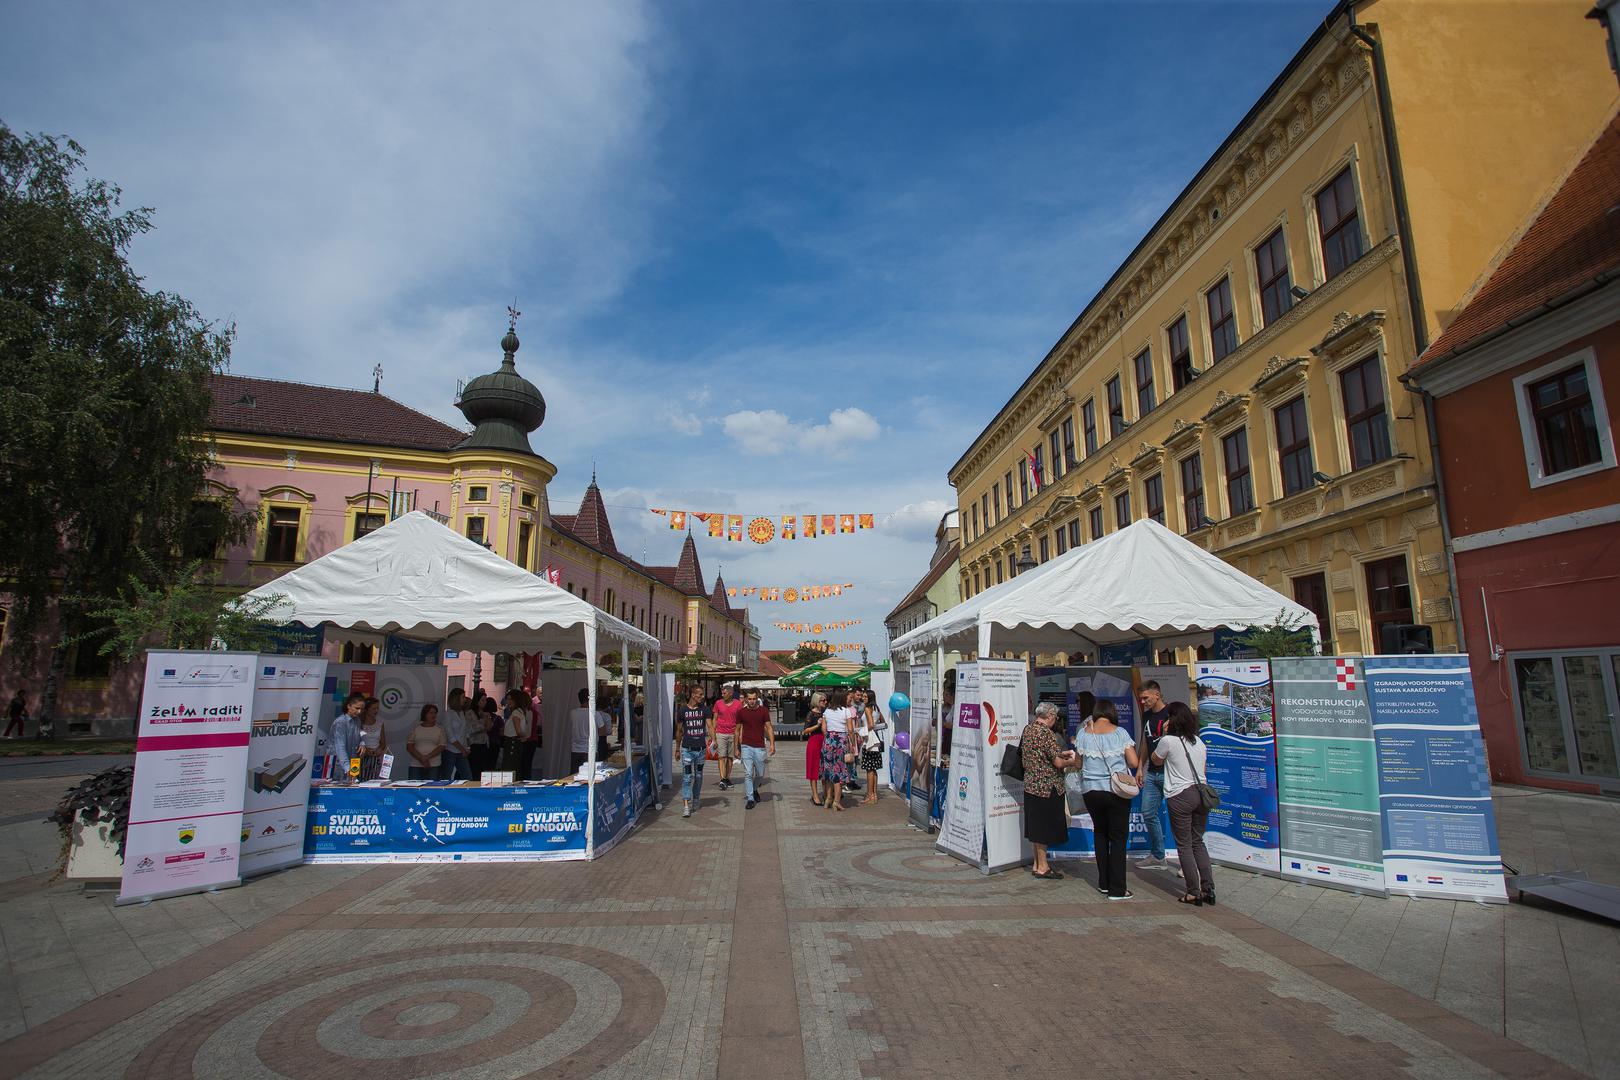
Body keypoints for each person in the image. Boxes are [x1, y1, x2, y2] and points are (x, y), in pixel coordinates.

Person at [1074, 699, 1141, 899]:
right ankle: (1118, 889)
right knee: (1118, 837)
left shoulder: (1084, 733)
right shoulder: (1120, 733)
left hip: (1091, 791)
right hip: (1115, 791)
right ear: (1112, 712)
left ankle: (1103, 882)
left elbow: (1078, 763)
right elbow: (1133, 761)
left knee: (1100, 833)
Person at [1153, 702, 1216, 905]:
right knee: (1198, 841)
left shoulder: (1168, 741)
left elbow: (1156, 760)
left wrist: (1163, 735)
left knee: (1184, 844)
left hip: (1180, 795)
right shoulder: (1199, 742)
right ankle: (1209, 889)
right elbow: (1203, 772)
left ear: (1172, 720)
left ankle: (1193, 891)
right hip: (1201, 794)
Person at [1022, 701, 1079, 878]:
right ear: (1051, 716)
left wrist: (1061, 754)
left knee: (1036, 826)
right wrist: (1073, 761)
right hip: (1047, 786)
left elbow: (1042, 754)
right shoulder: (1046, 733)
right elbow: (1057, 763)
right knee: (1044, 828)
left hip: (1031, 784)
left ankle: (1037, 864)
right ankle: (1043, 866)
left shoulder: (1028, 729)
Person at [1135, 679, 1172, 869]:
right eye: (1141, 699)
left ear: (1156, 695)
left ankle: (1188, 861)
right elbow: (1144, 742)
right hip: (1152, 772)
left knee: (1177, 817)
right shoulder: (1147, 715)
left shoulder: (1171, 713)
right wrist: (1140, 766)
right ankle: (1158, 856)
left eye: (1146, 698)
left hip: (1170, 772)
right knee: (1148, 812)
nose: (1143, 702)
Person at [735, 688, 774, 809]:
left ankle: (755, 789)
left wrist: (772, 744)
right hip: (746, 745)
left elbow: (769, 728)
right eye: (749, 699)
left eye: (754, 699)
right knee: (747, 774)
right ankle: (750, 798)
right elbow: (736, 731)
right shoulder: (741, 712)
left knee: (760, 774)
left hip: (760, 746)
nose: (752, 701)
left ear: (757, 699)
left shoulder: (763, 711)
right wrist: (737, 747)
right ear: (746, 699)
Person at [676, 683, 712, 817]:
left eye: (702, 694)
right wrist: (677, 749)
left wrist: (714, 740)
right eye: (700, 694)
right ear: (693, 694)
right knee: (686, 777)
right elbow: (679, 731)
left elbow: (710, 725)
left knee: (698, 775)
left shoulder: (705, 709)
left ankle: (696, 798)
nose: (702, 697)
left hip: (701, 749)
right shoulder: (683, 711)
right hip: (687, 749)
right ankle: (686, 804)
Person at [820, 689, 857, 811]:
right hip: (840, 741)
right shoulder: (846, 711)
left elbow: (824, 729)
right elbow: (851, 730)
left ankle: (828, 799)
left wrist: (829, 739)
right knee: (839, 771)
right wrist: (852, 743)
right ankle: (836, 801)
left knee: (828, 770)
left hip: (828, 741)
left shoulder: (827, 711)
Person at [855, 688, 886, 805]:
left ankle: (870, 795)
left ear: (870, 698)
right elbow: (882, 721)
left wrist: (861, 731)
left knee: (869, 769)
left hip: (869, 740)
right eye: (863, 696)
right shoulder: (876, 708)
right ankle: (875, 794)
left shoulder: (868, 708)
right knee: (874, 768)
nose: (863, 698)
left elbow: (871, 725)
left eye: (865, 697)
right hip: (876, 739)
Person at [327, 691, 366, 782]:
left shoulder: (357, 721)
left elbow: (361, 734)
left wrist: (362, 743)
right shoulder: (340, 722)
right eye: (357, 708)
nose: (359, 711)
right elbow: (340, 747)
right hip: (337, 765)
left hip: (352, 763)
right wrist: (347, 768)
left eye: (362, 709)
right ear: (349, 706)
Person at [711, 684, 743, 790]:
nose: (722, 694)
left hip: (733, 734)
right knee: (721, 756)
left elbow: (741, 721)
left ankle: (727, 778)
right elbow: (714, 719)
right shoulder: (718, 703)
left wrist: (740, 735)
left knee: (730, 757)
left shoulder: (738, 704)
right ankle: (722, 779)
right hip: (720, 733)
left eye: (724, 693)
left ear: (730, 693)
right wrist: (713, 735)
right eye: (722, 693)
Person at [570, 687, 609, 773]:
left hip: (575, 750)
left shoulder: (573, 713)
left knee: (574, 776)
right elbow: (602, 732)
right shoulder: (595, 713)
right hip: (590, 750)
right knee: (589, 776)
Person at [406, 703, 447, 780]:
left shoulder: (440, 729)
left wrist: (427, 757)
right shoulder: (416, 728)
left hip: (434, 764)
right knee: (413, 788)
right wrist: (421, 758)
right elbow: (409, 746)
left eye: (435, 713)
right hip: (416, 764)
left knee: (431, 789)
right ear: (425, 714)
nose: (433, 715)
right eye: (431, 713)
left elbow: (442, 746)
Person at [502, 689, 534, 778]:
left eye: (510, 699)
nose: (508, 702)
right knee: (515, 767)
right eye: (507, 699)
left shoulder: (516, 713)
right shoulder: (520, 711)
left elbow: (518, 730)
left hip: (512, 742)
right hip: (515, 742)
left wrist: (522, 736)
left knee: (510, 767)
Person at [802, 692, 827, 806]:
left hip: (824, 741)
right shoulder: (811, 714)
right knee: (814, 769)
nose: (825, 702)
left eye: (826, 700)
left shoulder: (826, 713)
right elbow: (805, 730)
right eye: (823, 700)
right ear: (817, 701)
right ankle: (815, 795)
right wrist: (817, 725)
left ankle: (826, 792)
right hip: (814, 741)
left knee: (824, 768)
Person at [440, 692, 472, 780]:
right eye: (463, 697)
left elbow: (465, 732)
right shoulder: (448, 714)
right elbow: (450, 736)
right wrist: (463, 749)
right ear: (456, 699)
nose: (464, 699)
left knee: (467, 777)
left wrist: (468, 747)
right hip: (450, 750)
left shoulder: (461, 713)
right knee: (446, 776)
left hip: (461, 750)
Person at [356, 697, 388, 780]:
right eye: (373, 708)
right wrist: (366, 750)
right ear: (366, 709)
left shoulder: (380, 724)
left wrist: (379, 750)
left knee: (375, 781)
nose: (376, 711)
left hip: (376, 758)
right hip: (361, 757)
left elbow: (383, 743)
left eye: (377, 708)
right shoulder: (358, 723)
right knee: (360, 781)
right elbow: (355, 741)